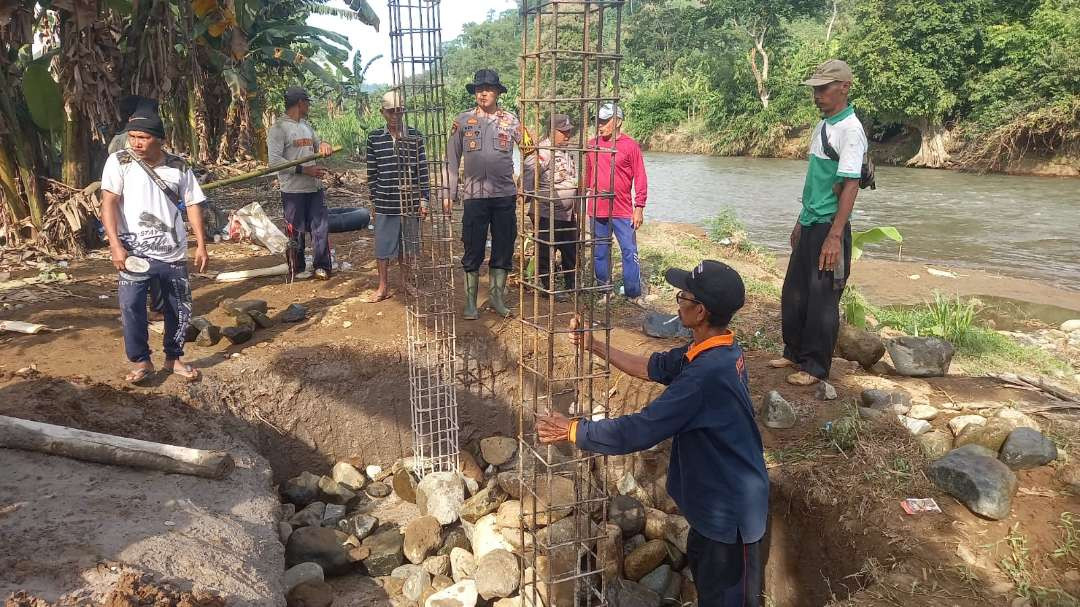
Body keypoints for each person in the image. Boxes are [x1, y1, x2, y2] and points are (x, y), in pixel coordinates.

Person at [536, 260, 768, 607]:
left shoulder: (704, 377)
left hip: (731, 519)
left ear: (699, 311)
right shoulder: (718, 348)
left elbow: (640, 429)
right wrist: (594, 345)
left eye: (682, 296)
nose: (677, 303)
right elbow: (652, 366)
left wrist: (573, 430)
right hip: (714, 509)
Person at [99, 97, 208, 384]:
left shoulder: (179, 167)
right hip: (133, 251)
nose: (135, 143)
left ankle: (174, 358)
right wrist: (115, 245)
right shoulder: (119, 161)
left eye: (143, 137)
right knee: (131, 304)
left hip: (172, 251)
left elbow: (193, 203)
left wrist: (201, 244)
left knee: (179, 306)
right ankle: (142, 361)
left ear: (160, 139)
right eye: (132, 136)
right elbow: (108, 203)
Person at [774, 59, 867, 386]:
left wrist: (835, 235)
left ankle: (815, 367)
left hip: (830, 225)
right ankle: (793, 351)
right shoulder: (823, 126)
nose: (818, 95)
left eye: (824, 88)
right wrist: (800, 221)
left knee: (823, 299)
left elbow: (850, 184)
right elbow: (816, 180)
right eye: (815, 89)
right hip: (812, 220)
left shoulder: (851, 130)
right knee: (795, 291)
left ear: (844, 87)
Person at [445, 69, 522, 319]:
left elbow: (530, 151)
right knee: (472, 247)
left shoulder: (511, 120)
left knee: (503, 246)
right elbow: (452, 159)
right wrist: (449, 192)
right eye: (479, 89)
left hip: (504, 195)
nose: (483, 93)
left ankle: (497, 298)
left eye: (488, 89)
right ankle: (471, 302)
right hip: (474, 197)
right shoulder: (463, 121)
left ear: (498, 92)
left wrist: (526, 183)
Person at [365, 90, 430, 302]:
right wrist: (374, 198)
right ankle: (383, 286)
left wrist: (424, 198)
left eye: (399, 111)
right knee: (383, 247)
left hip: (409, 200)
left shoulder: (415, 136)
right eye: (390, 112)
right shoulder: (375, 138)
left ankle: (406, 282)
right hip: (385, 201)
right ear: (382, 112)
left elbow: (422, 170)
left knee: (408, 245)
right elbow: (372, 172)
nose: (395, 116)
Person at [267, 86, 335, 280]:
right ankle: (296, 267)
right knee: (295, 230)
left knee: (320, 227)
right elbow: (274, 161)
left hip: (314, 187)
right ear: (300, 103)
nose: (309, 106)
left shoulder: (306, 126)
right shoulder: (278, 129)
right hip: (293, 189)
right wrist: (304, 170)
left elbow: (318, 144)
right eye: (307, 102)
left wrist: (324, 145)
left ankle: (322, 266)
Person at [585, 103, 648, 305]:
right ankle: (605, 290)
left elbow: (640, 177)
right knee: (600, 251)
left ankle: (633, 293)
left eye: (605, 121)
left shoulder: (630, 146)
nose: (600, 125)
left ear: (618, 122)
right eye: (599, 121)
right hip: (597, 208)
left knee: (629, 250)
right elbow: (587, 177)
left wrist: (639, 207)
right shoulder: (591, 145)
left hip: (622, 209)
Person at [525, 113, 579, 296]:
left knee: (570, 247)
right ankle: (547, 286)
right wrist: (526, 197)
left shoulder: (566, 152)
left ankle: (571, 284)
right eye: (563, 132)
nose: (567, 135)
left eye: (569, 131)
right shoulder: (543, 151)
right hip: (547, 211)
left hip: (568, 213)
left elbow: (572, 180)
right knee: (546, 249)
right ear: (552, 131)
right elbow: (529, 175)